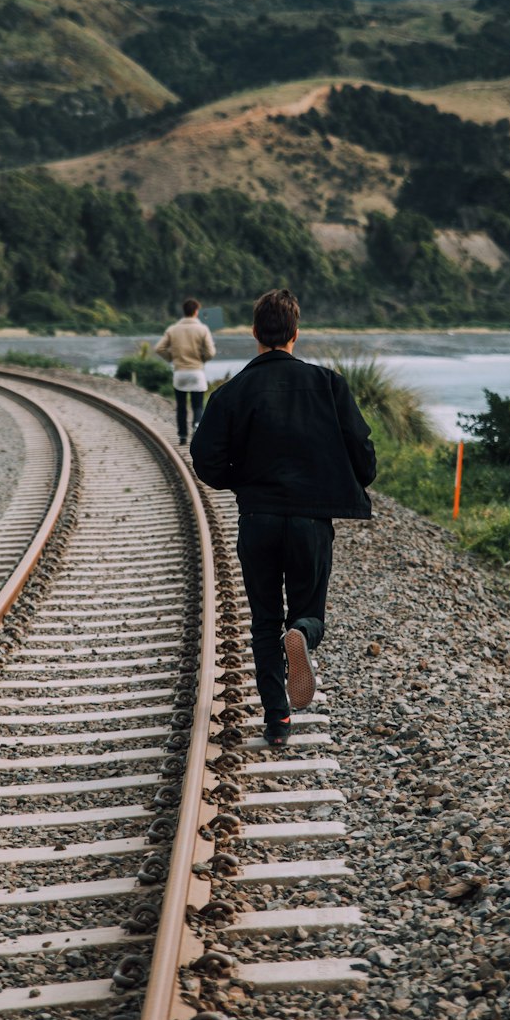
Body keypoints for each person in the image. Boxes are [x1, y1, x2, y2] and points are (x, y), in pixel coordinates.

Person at [191, 288, 375, 745]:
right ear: (296, 333)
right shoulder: (330, 385)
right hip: (312, 522)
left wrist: (246, 482)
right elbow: (365, 462)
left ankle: (278, 722)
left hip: (260, 519)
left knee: (263, 619)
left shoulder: (230, 393)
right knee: (308, 611)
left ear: (255, 333)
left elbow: (206, 461)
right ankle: (304, 634)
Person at [154, 298, 216, 446]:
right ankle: (196, 428)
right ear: (196, 311)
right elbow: (211, 352)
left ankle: (182, 436)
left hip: (179, 373)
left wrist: (172, 358)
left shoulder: (173, 329)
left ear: (184, 312)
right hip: (196, 373)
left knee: (181, 406)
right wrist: (201, 359)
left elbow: (159, 348)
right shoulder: (202, 329)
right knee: (198, 406)